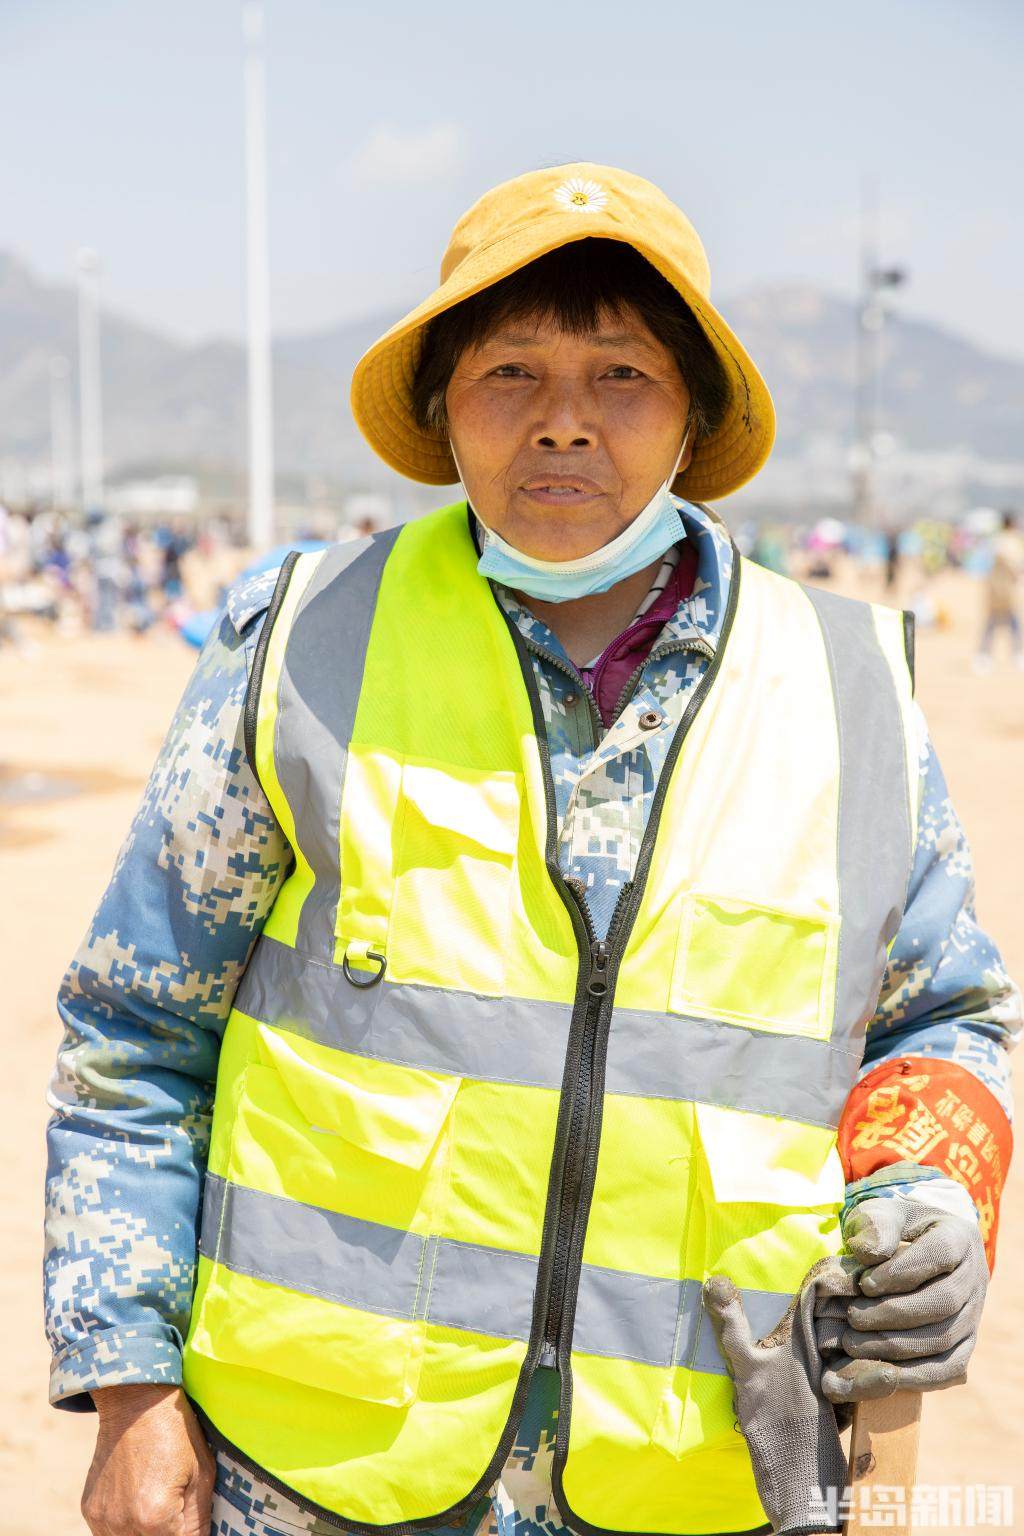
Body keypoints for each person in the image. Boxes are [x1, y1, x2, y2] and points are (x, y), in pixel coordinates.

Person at [44, 164, 1018, 1536]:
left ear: (695, 418)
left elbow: (943, 1021)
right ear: (444, 413)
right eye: (511, 373)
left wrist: (933, 1199)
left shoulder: (851, 689)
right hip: (319, 1484)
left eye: (621, 374)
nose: (563, 423)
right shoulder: (306, 641)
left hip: (706, 1482)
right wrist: (131, 1389)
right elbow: (135, 1035)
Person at [974, 509, 1024, 670]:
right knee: (1005, 620)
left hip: (997, 586)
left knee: (998, 621)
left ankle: (984, 655)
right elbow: (1014, 563)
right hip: (1004, 587)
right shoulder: (1010, 541)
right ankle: (1014, 654)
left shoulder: (997, 540)